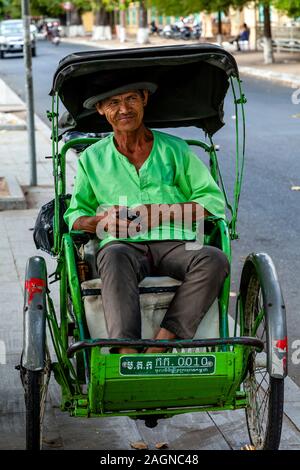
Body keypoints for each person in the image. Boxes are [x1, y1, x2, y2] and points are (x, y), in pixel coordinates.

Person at [64, 82, 230, 354]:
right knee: (114, 255)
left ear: (143, 100)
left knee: (214, 259)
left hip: (178, 243)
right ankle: (126, 353)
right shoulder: (92, 158)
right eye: (113, 103)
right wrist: (99, 221)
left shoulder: (175, 150)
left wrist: (160, 212)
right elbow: (75, 215)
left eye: (131, 99)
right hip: (122, 246)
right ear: (102, 109)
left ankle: (160, 345)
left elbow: (212, 203)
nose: (124, 109)